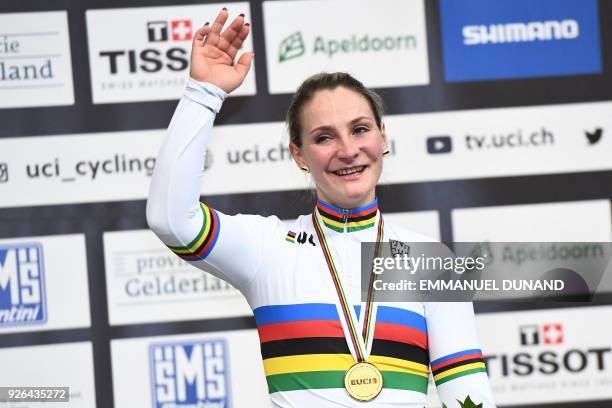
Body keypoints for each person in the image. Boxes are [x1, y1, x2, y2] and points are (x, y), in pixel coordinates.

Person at [147, 8, 496, 408]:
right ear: (299, 154)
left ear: (383, 137)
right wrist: (203, 93)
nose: (348, 150)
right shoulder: (267, 248)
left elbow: (468, 398)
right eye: (324, 137)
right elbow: (171, 219)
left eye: (360, 129)